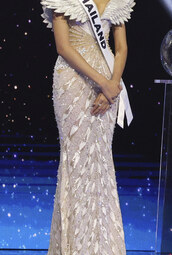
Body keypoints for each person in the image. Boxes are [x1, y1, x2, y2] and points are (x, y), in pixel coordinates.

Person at [40, 0, 135, 254]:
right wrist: (103, 82)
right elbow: (63, 47)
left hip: (108, 85)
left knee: (101, 161)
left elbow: (122, 48)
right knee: (76, 162)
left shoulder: (119, 1)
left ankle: (103, 246)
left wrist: (113, 85)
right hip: (73, 81)